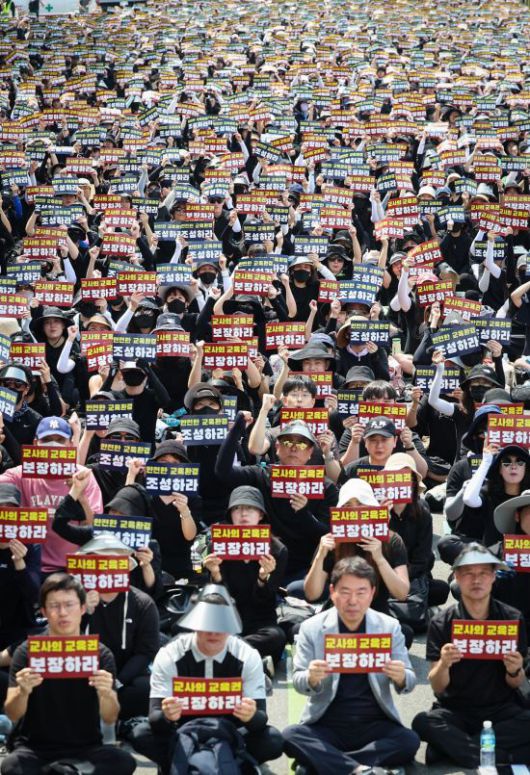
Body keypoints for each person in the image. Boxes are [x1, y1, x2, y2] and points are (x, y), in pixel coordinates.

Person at [283, 557, 420, 775]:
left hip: (374, 723)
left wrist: (401, 676)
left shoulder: (389, 626)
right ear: (332, 591)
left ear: (372, 593)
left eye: (361, 592)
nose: (353, 601)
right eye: (345, 592)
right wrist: (311, 677)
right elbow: (299, 681)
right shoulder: (311, 628)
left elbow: (410, 681)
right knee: (290, 736)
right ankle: (363, 770)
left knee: (409, 741)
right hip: (327, 722)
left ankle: (331, 764)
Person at [129, 584, 283, 774]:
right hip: (182, 731)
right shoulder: (170, 653)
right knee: (140, 734)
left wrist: (251, 716)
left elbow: (261, 718)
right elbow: (155, 716)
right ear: (195, 624)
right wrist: (166, 716)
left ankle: (216, 761)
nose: (213, 633)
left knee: (273, 740)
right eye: (207, 625)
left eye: (220, 626)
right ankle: (203, 761)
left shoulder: (247, 655)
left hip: (231, 733)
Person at [1, 573, 136, 775]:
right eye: (54, 606)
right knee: (12, 766)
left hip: (87, 747)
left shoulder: (99, 653)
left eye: (69, 605)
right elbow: (12, 713)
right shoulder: (27, 650)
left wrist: (106, 693)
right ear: (45, 612)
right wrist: (23, 691)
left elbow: (110, 716)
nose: (62, 613)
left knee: (123, 762)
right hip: (36, 749)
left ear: (82, 608)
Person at [412, 543, 530, 768]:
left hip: (500, 709)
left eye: (484, 573)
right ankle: (497, 756)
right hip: (456, 710)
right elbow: (438, 686)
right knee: (423, 722)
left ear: (494, 576)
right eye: (468, 574)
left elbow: (516, 682)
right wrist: (444, 664)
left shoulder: (512, 618)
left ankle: (454, 751)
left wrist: (515, 669)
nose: (477, 580)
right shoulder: (441, 622)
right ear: (456, 576)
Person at [202, 485, 288, 666]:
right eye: (237, 509)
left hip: (260, 622)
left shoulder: (277, 550)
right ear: (230, 515)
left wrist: (263, 577)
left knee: (276, 637)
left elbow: (266, 601)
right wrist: (216, 575)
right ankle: (248, 660)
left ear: (261, 514)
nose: (243, 514)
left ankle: (225, 654)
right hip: (226, 619)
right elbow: (214, 600)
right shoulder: (217, 546)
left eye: (249, 508)